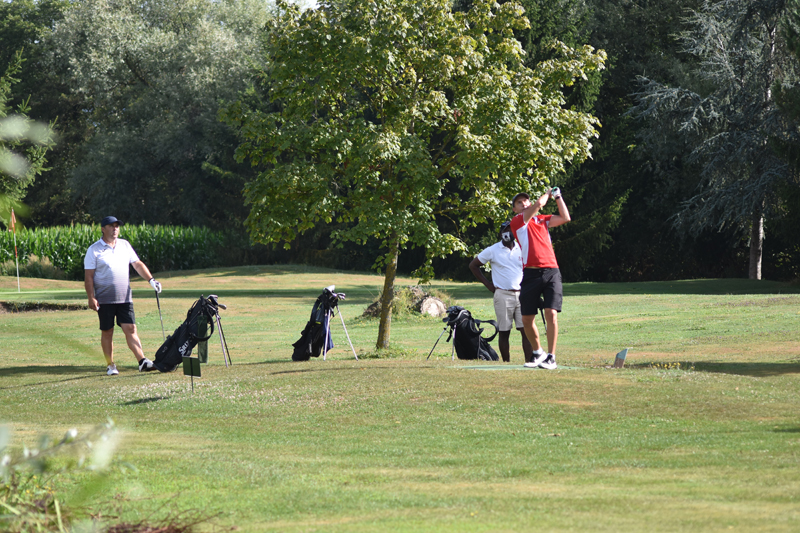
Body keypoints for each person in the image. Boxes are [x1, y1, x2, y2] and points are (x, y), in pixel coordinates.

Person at [84, 216, 162, 375]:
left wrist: (151, 280)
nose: (115, 229)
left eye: (117, 226)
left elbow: (137, 264)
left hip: (124, 297)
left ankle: (142, 361)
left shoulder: (125, 245)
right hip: (104, 299)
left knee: (131, 328)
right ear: (103, 229)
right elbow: (89, 276)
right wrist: (91, 297)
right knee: (107, 331)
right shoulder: (94, 250)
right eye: (111, 226)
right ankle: (110, 365)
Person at [509, 187, 570, 369]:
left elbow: (565, 218)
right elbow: (539, 204)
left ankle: (551, 357)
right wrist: (548, 193)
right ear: (515, 209)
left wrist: (558, 197)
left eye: (525, 201)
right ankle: (538, 352)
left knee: (551, 313)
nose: (524, 204)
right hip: (530, 273)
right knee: (527, 319)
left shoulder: (542, 220)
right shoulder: (518, 221)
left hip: (551, 271)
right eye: (519, 203)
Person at [469, 222, 533, 363]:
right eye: (505, 230)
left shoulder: (522, 248)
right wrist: (489, 285)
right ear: (500, 233)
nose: (508, 233)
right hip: (502, 294)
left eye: (511, 230)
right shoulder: (493, 250)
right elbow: (473, 265)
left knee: (526, 331)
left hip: (522, 294)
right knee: (504, 331)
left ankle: (530, 362)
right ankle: (506, 363)